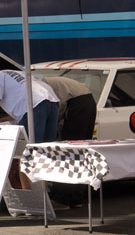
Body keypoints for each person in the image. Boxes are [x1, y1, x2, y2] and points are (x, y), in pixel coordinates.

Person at [41, 77, 97, 210]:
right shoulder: (40, 84)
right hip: (87, 99)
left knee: (67, 151)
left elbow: (50, 112)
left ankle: (62, 199)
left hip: (76, 103)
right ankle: (75, 197)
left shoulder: (37, 89)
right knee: (80, 150)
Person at [0, 70, 60, 143]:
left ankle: (31, 158)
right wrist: (6, 119)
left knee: (30, 145)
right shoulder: (14, 74)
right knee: (48, 145)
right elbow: (23, 107)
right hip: (52, 100)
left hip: (34, 103)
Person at [41, 77, 96, 141]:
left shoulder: (41, 87)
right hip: (87, 96)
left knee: (72, 140)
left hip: (76, 100)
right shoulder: (43, 83)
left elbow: (53, 109)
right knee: (85, 138)